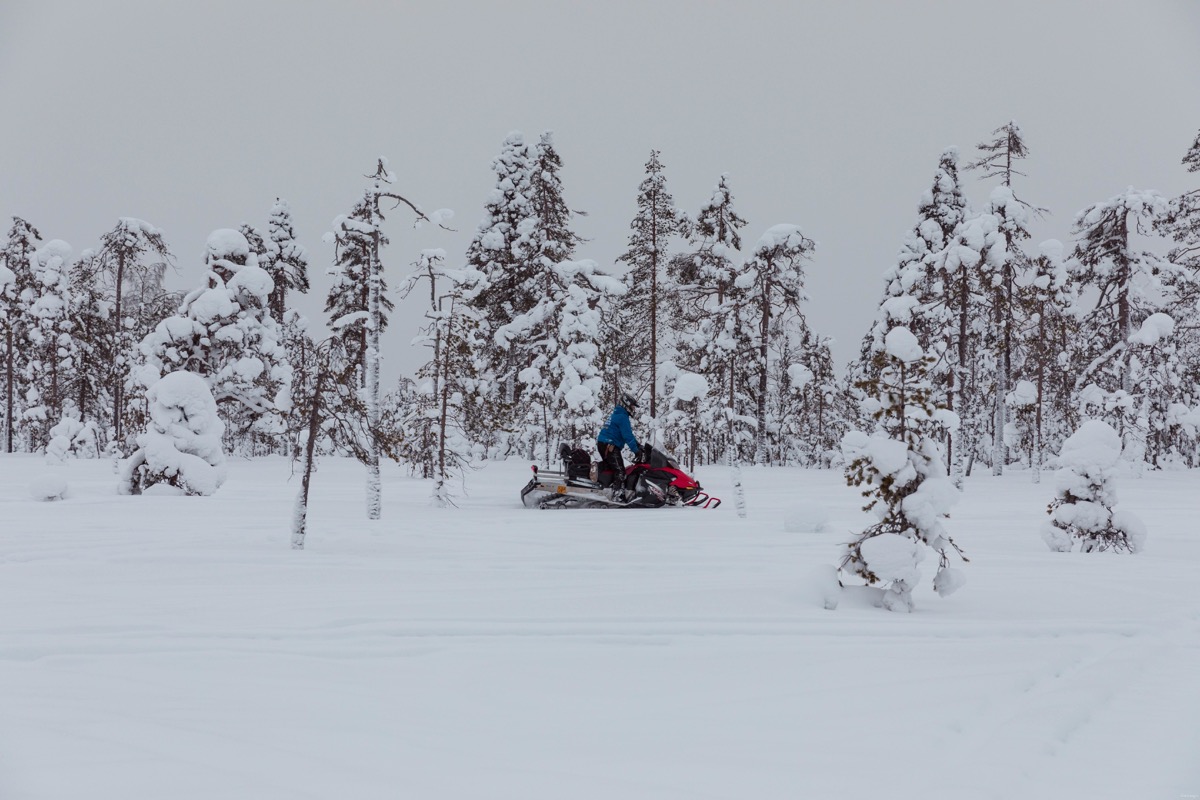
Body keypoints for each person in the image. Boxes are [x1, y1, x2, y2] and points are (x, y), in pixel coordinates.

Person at [597, 392, 641, 496]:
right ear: (626, 404)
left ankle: (606, 489)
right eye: (632, 406)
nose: (633, 409)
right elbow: (627, 436)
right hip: (609, 445)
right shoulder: (622, 417)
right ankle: (617, 494)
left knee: (612, 469)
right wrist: (636, 451)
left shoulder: (618, 414)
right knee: (620, 471)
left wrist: (638, 445)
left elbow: (627, 435)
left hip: (605, 444)